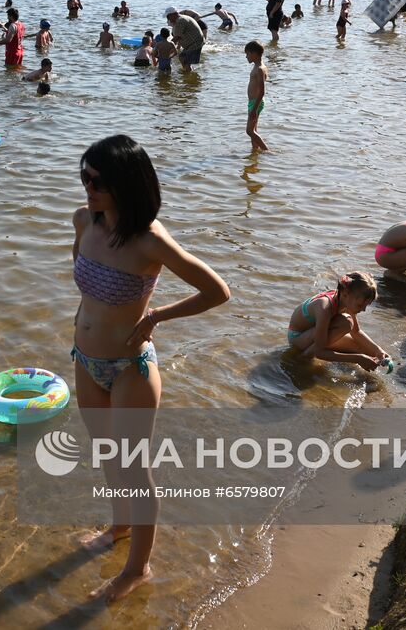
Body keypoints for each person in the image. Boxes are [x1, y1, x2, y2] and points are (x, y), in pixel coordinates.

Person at [70, 135, 229, 603]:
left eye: (97, 180)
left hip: (129, 368)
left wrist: (156, 317)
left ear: (124, 183)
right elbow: (82, 275)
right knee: (107, 456)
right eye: (84, 176)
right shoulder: (83, 220)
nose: (88, 187)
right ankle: (120, 526)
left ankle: (137, 569)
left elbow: (217, 291)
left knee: (134, 468)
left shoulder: (149, 240)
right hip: (84, 359)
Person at [286, 272, 390, 371]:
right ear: (345, 294)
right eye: (360, 305)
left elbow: (356, 332)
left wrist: (378, 350)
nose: (363, 309)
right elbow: (318, 352)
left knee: (364, 349)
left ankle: (320, 352)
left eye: (365, 305)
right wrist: (358, 359)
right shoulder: (324, 307)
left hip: (315, 333)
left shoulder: (345, 300)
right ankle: (303, 359)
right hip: (298, 338)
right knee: (346, 322)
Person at [244, 41, 268, 152]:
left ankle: (267, 151)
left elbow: (262, 91)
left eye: (247, 54)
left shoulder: (259, 69)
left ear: (254, 53)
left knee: (249, 131)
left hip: (256, 103)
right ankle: (255, 152)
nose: (246, 56)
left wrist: (254, 109)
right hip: (253, 102)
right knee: (253, 130)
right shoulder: (257, 67)